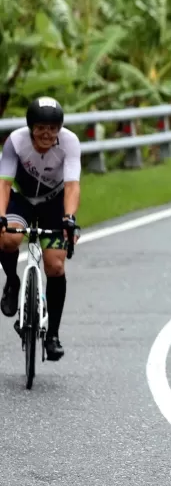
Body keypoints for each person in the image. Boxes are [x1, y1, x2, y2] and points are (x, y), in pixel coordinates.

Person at [0, 96, 82, 361]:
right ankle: (12, 281)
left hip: (54, 202)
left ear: (59, 128)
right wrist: (0, 215)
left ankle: (52, 336)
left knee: (56, 267)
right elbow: (3, 183)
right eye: (40, 127)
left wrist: (69, 217)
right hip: (21, 198)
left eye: (53, 127)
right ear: (30, 126)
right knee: (8, 239)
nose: (47, 133)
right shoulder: (16, 142)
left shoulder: (69, 143)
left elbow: (72, 185)